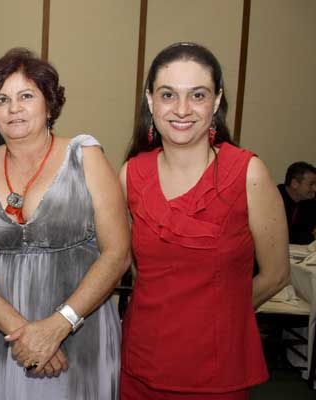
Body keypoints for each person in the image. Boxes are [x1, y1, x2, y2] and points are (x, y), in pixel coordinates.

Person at [0, 48, 131, 399]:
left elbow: (118, 254)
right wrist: (25, 334)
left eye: (26, 96)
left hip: (80, 335)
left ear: (49, 103)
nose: (14, 108)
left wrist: (59, 325)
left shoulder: (86, 157)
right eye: (2, 99)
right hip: (3, 339)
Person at [119, 42, 290, 399]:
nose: (182, 109)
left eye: (198, 95)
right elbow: (136, 269)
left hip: (216, 369)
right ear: (150, 101)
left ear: (216, 101)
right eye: (168, 95)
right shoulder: (131, 174)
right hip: (141, 364)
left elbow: (276, 275)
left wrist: (220, 315)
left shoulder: (247, 173)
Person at [277, 161, 316, 244]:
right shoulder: (274, 199)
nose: (315, 189)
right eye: (311, 184)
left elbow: (307, 235)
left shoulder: (311, 201)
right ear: (294, 184)